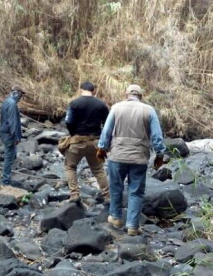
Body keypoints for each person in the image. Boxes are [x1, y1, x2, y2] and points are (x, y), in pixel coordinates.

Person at [97, 84, 167, 236]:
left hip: (118, 155)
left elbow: (106, 131)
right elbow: (156, 136)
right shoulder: (149, 110)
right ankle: (132, 227)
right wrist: (160, 154)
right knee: (136, 192)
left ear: (126, 95)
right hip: (139, 157)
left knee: (116, 187)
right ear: (141, 96)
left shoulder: (116, 108)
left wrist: (102, 148)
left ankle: (115, 217)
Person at [63, 81, 110, 203]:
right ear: (93, 91)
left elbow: (68, 121)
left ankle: (74, 194)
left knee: (70, 166)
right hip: (95, 141)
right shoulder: (101, 105)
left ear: (81, 90)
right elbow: (107, 124)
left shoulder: (74, 103)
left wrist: (73, 133)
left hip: (77, 140)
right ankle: (107, 196)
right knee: (99, 170)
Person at [0, 85, 25, 186]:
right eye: (21, 95)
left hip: (4, 133)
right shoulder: (12, 104)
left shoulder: (6, 101)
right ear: (17, 93)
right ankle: (5, 181)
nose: (20, 98)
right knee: (9, 157)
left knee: (11, 156)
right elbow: (12, 122)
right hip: (9, 135)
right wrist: (16, 137)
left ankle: (6, 177)